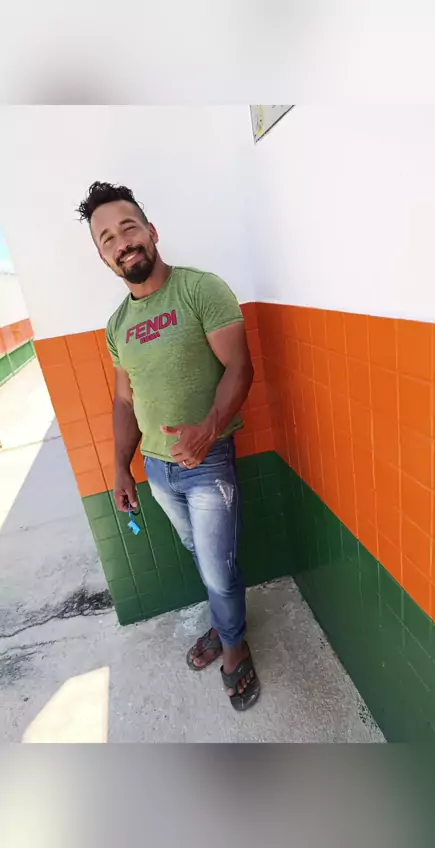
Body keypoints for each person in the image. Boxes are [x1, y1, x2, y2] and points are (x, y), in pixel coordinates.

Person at [77, 182, 259, 711]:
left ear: (151, 232)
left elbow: (240, 366)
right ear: (104, 258)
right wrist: (121, 468)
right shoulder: (118, 326)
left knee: (218, 567)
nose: (121, 243)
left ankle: (234, 645)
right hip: (158, 470)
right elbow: (124, 401)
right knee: (203, 555)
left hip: (208, 462)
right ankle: (225, 623)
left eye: (128, 228)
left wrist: (209, 427)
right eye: (107, 239)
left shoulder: (201, 289)